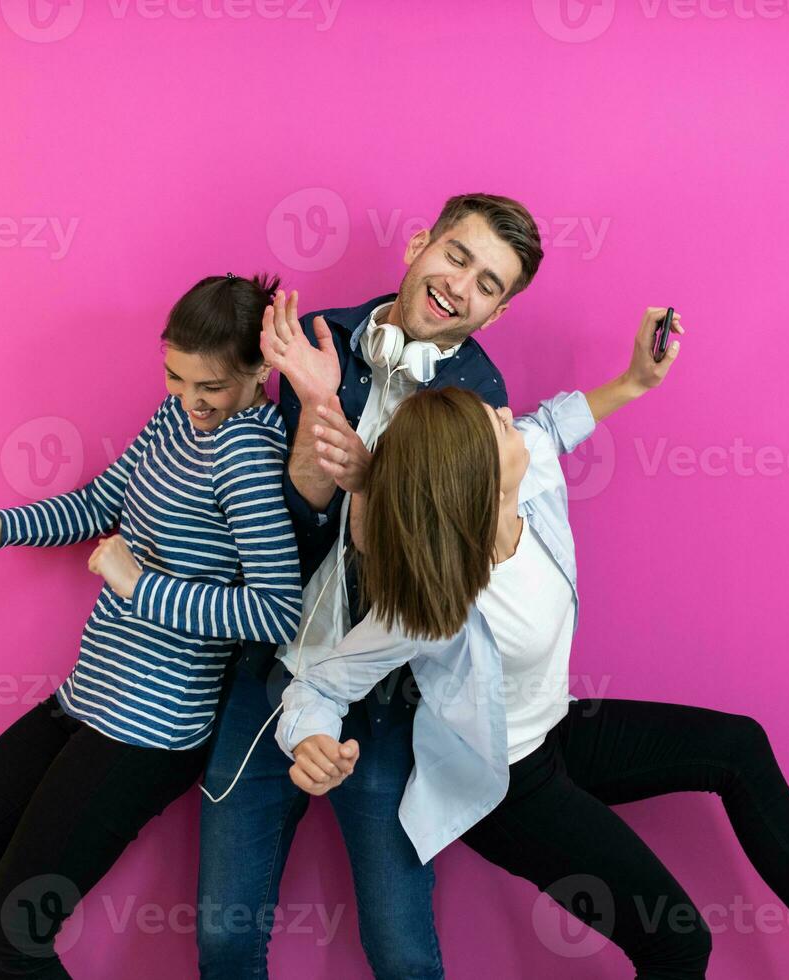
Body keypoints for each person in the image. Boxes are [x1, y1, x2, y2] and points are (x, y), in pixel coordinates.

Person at [277, 309, 789, 980]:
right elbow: (319, 684)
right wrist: (309, 739)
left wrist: (635, 380)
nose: (507, 416)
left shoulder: (527, 482)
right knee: (677, 938)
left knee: (737, 748)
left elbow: (553, 424)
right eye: (497, 425)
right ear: (476, 479)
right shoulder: (436, 603)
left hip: (555, 729)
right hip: (506, 788)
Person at [0, 272, 303, 979]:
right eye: (177, 377)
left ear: (261, 369)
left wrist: (141, 585)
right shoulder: (174, 417)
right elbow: (100, 503)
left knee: (10, 940)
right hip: (88, 699)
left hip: (150, 730)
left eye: (213, 387)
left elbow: (276, 610)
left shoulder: (250, 456)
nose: (192, 401)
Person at [196, 193, 543, 979]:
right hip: (269, 666)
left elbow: (437, 578)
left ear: (495, 314)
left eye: (488, 284)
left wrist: (369, 484)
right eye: (457, 255)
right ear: (421, 244)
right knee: (223, 936)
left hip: (386, 694)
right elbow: (267, 531)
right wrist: (314, 448)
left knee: (402, 952)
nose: (461, 284)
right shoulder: (319, 338)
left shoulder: (480, 407)